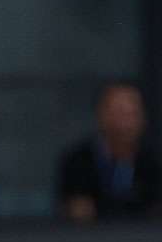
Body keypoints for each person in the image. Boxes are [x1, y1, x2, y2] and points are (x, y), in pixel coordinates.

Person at [56, 81, 161, 222]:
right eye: (120, 113)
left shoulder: (153, 162)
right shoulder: (78, 161)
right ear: (102, 115)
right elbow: (76, 212)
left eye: (132, 114)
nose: (126, 123)